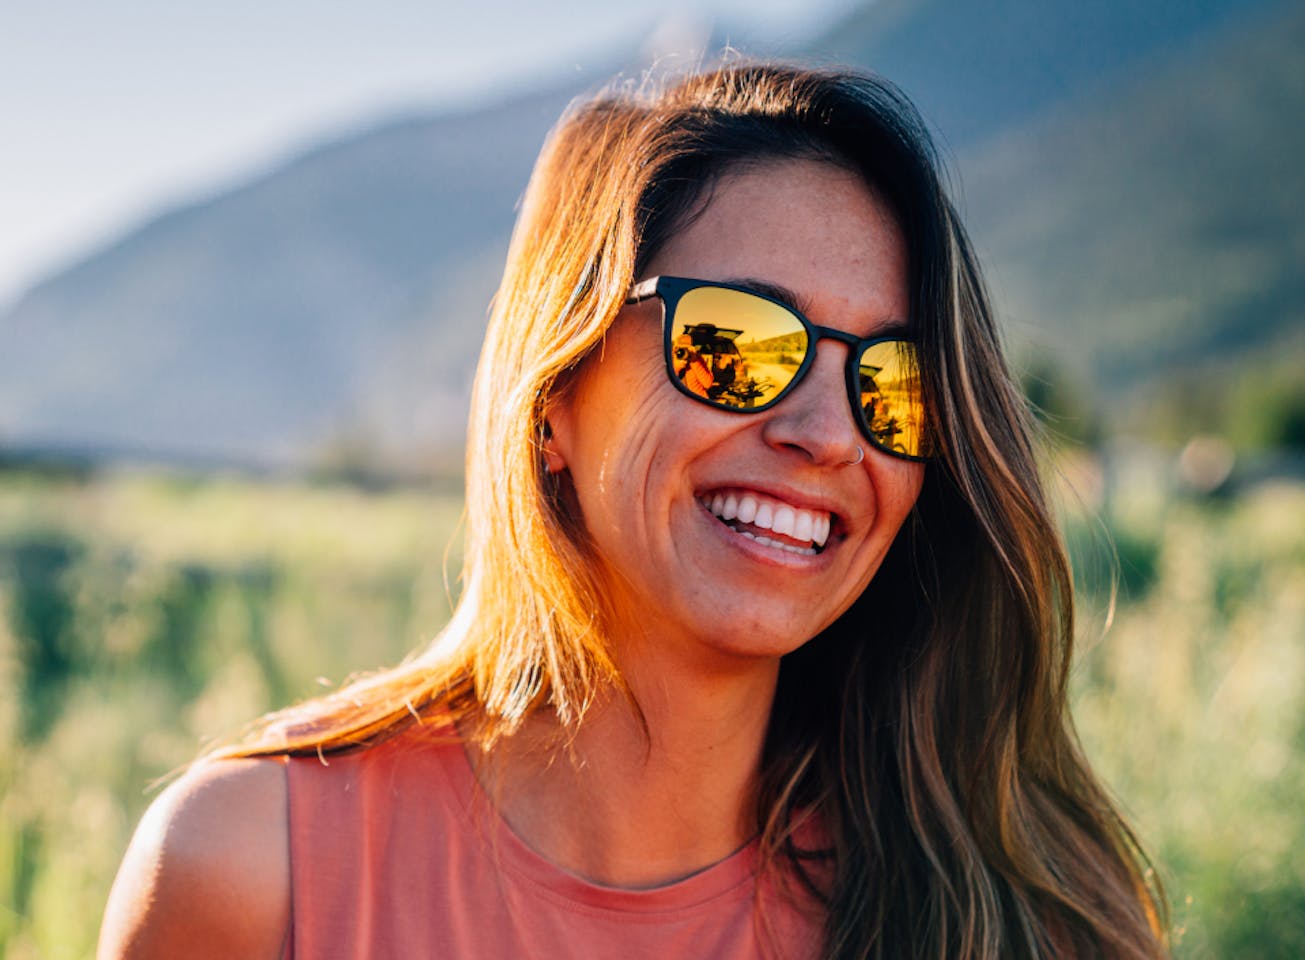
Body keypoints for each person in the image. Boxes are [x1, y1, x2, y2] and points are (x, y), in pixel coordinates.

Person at [98, 63, 1168, 959]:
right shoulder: (253, 870)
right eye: (736, 343)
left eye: (894, 383)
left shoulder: (1025, 913)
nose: (829, 433)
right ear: (556, 394)